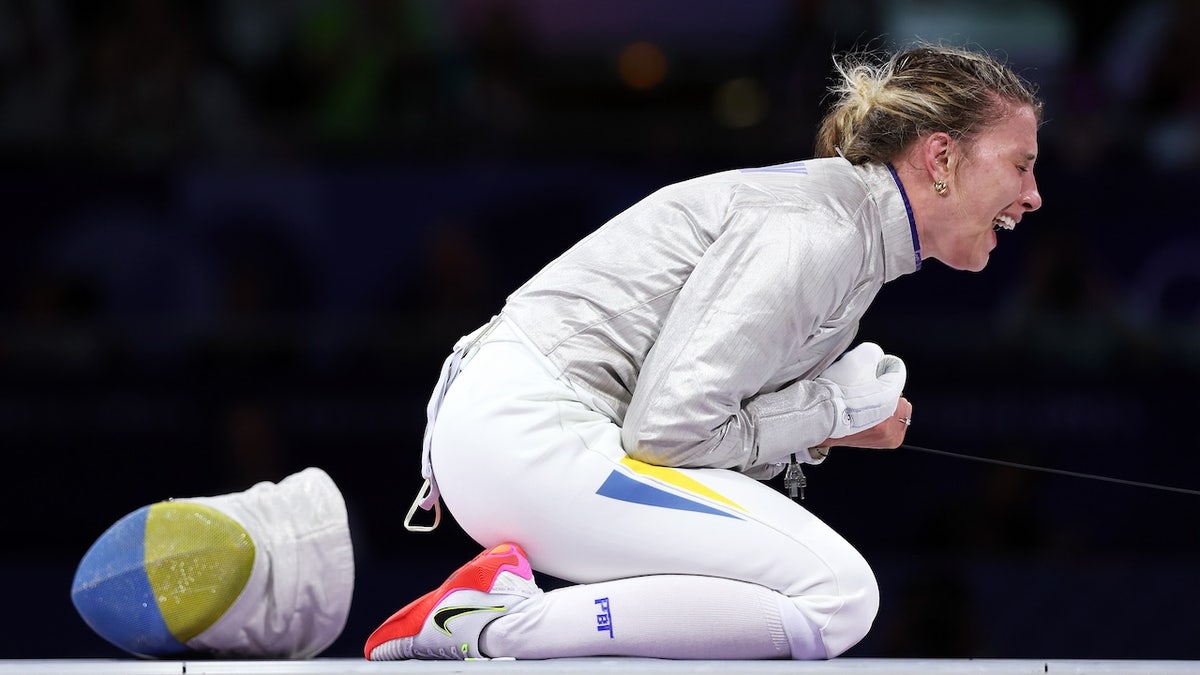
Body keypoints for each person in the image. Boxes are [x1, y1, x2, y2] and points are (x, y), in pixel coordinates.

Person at [363, 41, 1044, 661]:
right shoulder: (821, 229)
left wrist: (828, 427)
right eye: (1020, 165)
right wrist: (828, 411)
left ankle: (497, 618)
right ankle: (493, 625)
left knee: (814, 590)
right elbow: (668, 429)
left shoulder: (851, 234)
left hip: (523, 438)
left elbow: (701, 422)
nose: (1033, 196)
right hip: (528, 433)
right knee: (837, 592)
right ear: (942, 157)